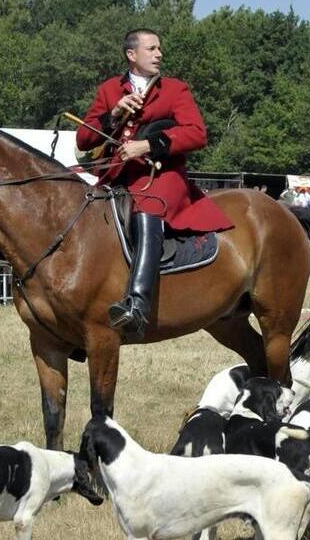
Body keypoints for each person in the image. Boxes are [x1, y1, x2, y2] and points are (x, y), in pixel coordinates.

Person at [75, 28, 233, 339]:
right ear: (131, 55)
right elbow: (84, 138)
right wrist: (114, 113)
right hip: (117, 176)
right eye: (152, 49)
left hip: (160, 177)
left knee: (147, 209)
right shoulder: (109, 89)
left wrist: (147, 146)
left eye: (159, 48)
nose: (159, 54)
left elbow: (197, 133)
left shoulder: (175, 90)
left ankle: (137, 306)